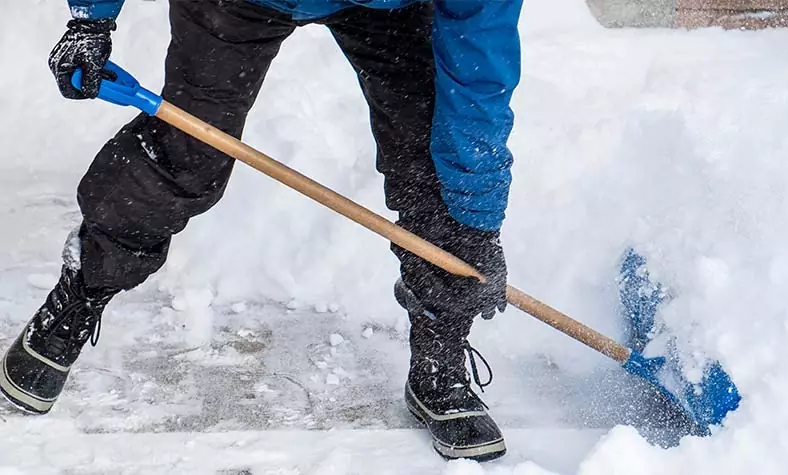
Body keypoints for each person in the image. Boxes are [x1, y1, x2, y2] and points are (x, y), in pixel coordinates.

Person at [1, 0, 521, 462]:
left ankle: (440, 349)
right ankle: (82, 290)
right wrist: (92, 17)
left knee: (435, 160)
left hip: (387, 6)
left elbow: (479, 74)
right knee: (187, 152)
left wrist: (475, 226)